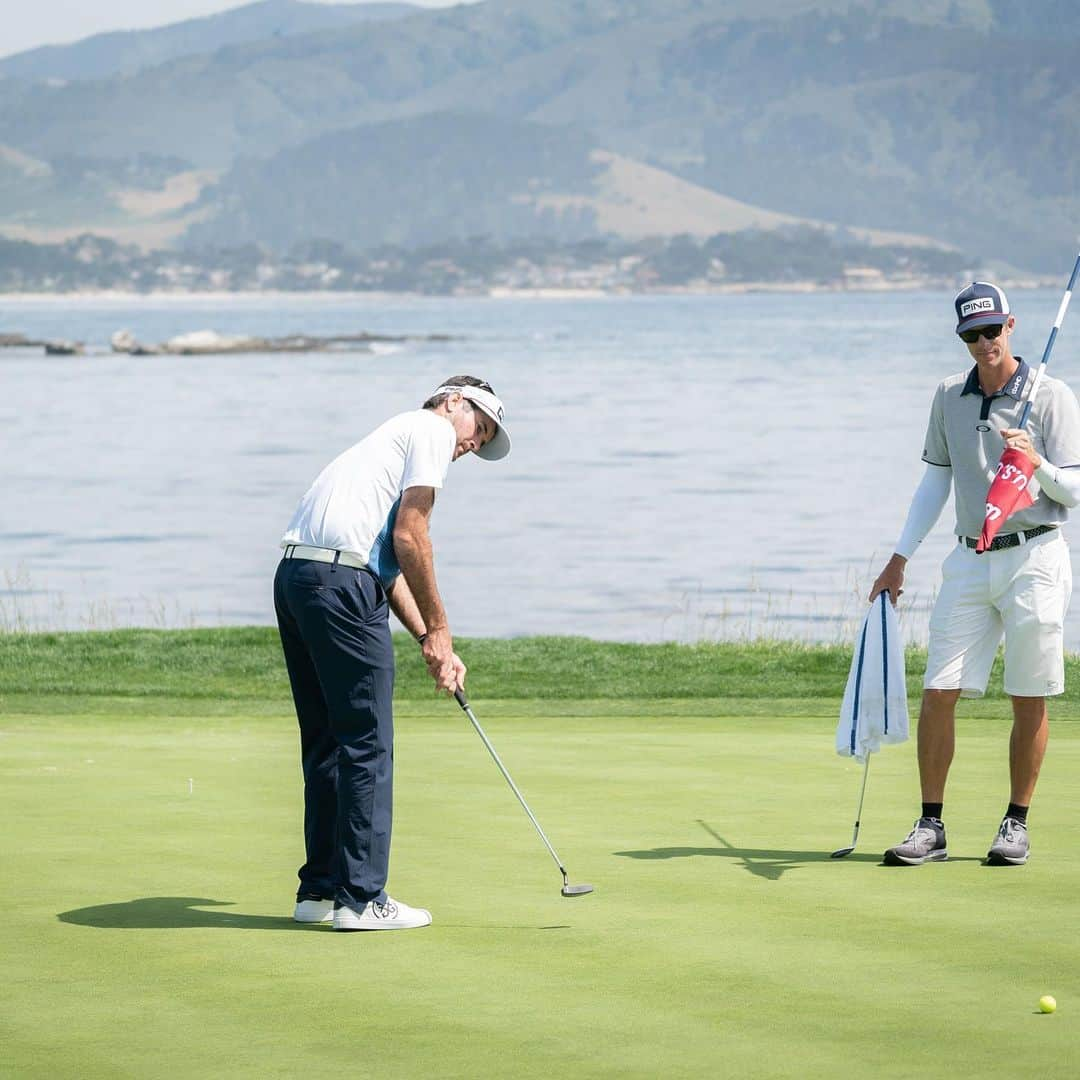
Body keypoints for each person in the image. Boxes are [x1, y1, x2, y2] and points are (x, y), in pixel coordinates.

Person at [274, 376, 511, 930]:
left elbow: (380, 567)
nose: (474, 443)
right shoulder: (429, 427)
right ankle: (362, 899)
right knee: (369, 742)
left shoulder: (386, 441)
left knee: (331, 740)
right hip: (339, 583)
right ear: (455, 401)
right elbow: (412, 537)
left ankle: (321, 892)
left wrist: (429, 638)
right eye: (481, 427)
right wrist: (444, 629)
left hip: (299, 577)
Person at [869, 282, 1080, 867]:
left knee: (1028, 694)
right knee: (939, 689)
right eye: (971, 334)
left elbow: (1075, 488)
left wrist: (1034, 462)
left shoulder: (1052, 396)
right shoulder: (947, 396)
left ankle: (1016, 823)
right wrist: (899, 556)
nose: (983, 343)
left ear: (1010, 325)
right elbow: (936, 480)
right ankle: (930, 826)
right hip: (969, 556)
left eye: (991, 330)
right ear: (961, 337)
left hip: (1035, 555)